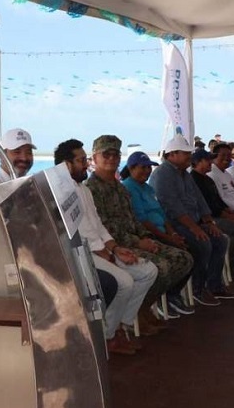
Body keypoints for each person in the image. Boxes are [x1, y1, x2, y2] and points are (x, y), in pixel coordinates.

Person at [54, 139, 159, 354]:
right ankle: (110, 336)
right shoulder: (60, 191)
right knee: (125, 282)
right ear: (66, 165)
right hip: (81, 253)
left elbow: (98, 225)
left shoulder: (83, 189)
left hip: (101, 247)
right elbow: (75, 232)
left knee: (149, 271)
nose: (86, 164)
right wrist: (103, 251)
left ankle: (119, 324)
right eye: (82, 160)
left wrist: (114, 248)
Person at [82, 135, 194, 320]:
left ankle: (146, 304)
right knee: (162, 267)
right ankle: (138, 313)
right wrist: (138, 242)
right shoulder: (91, 189)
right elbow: (104, 228)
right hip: (115, 246)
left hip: (136, 240)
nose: (111, 158)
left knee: (184, 258)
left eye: (115, 154)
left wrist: (146, 238)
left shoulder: (120, 188)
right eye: (106, 154)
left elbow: (133, 219)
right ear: (94, 159)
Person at [149, 134, 234, 305]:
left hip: (192, 222)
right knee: (202, 244)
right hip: (174, 225)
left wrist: (209, 222)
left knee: (220, 240)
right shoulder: (163, 174)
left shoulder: (184, 173)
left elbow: (199, 199)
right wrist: (195, 228)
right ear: (172, 154)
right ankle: (197, 289)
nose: (189, 157)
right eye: (186, 154)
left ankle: (213, 285)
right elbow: (172, 207)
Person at [189, 148, 234, 279]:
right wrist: (227, 215)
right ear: (197, 162)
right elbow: (206, 206)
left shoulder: (208, 179)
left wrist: (231, 212)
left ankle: (233, 259)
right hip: (208, 218)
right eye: (207, 160)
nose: (210, 162)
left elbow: (218, 201)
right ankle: (229, 265)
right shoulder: (194, 180)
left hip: (217, 214)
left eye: (211, 159)